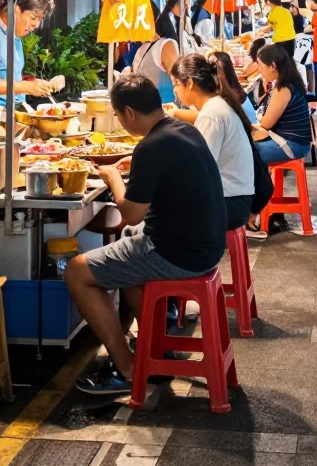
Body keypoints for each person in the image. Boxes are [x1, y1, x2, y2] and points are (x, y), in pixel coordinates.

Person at [66, 74, 226, 398]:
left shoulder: (151, 147)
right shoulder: (182, 130)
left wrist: (113, 176)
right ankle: (155, 351)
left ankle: (127, 368)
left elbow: (132, 212)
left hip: (177, 253)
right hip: (206, 245)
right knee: (127, 241)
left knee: (77, 272)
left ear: (130, 114)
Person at [170, 54, 255, 232]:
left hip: (230, 202)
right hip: (236, 197)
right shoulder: (216, 106)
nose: (175, 91)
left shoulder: (212, 114)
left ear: (190, 83)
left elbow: (201, 169)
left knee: (159, 212)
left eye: (176, 84)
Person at [251, 43, 312, 167]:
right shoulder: (285, 81)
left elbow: (266, 123)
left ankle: (259, 186)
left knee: (240, 153)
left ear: (272, 66)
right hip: (291, 141)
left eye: (261, 65)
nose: (259, 69)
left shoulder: (283, 88)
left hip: (292, 145)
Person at [131, 22, 179, 104]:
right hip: (145, 108)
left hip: (165, 107)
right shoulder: (141, 48)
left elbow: (178, 80)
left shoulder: (166, 45)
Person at [260, 0, 296, 65]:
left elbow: (269, 27)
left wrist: (259, 31)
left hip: (281, 41)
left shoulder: (273, 13)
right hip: (292, 40)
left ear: (268, 2)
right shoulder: (286, 11)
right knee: (290, 61)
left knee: (282, 63)